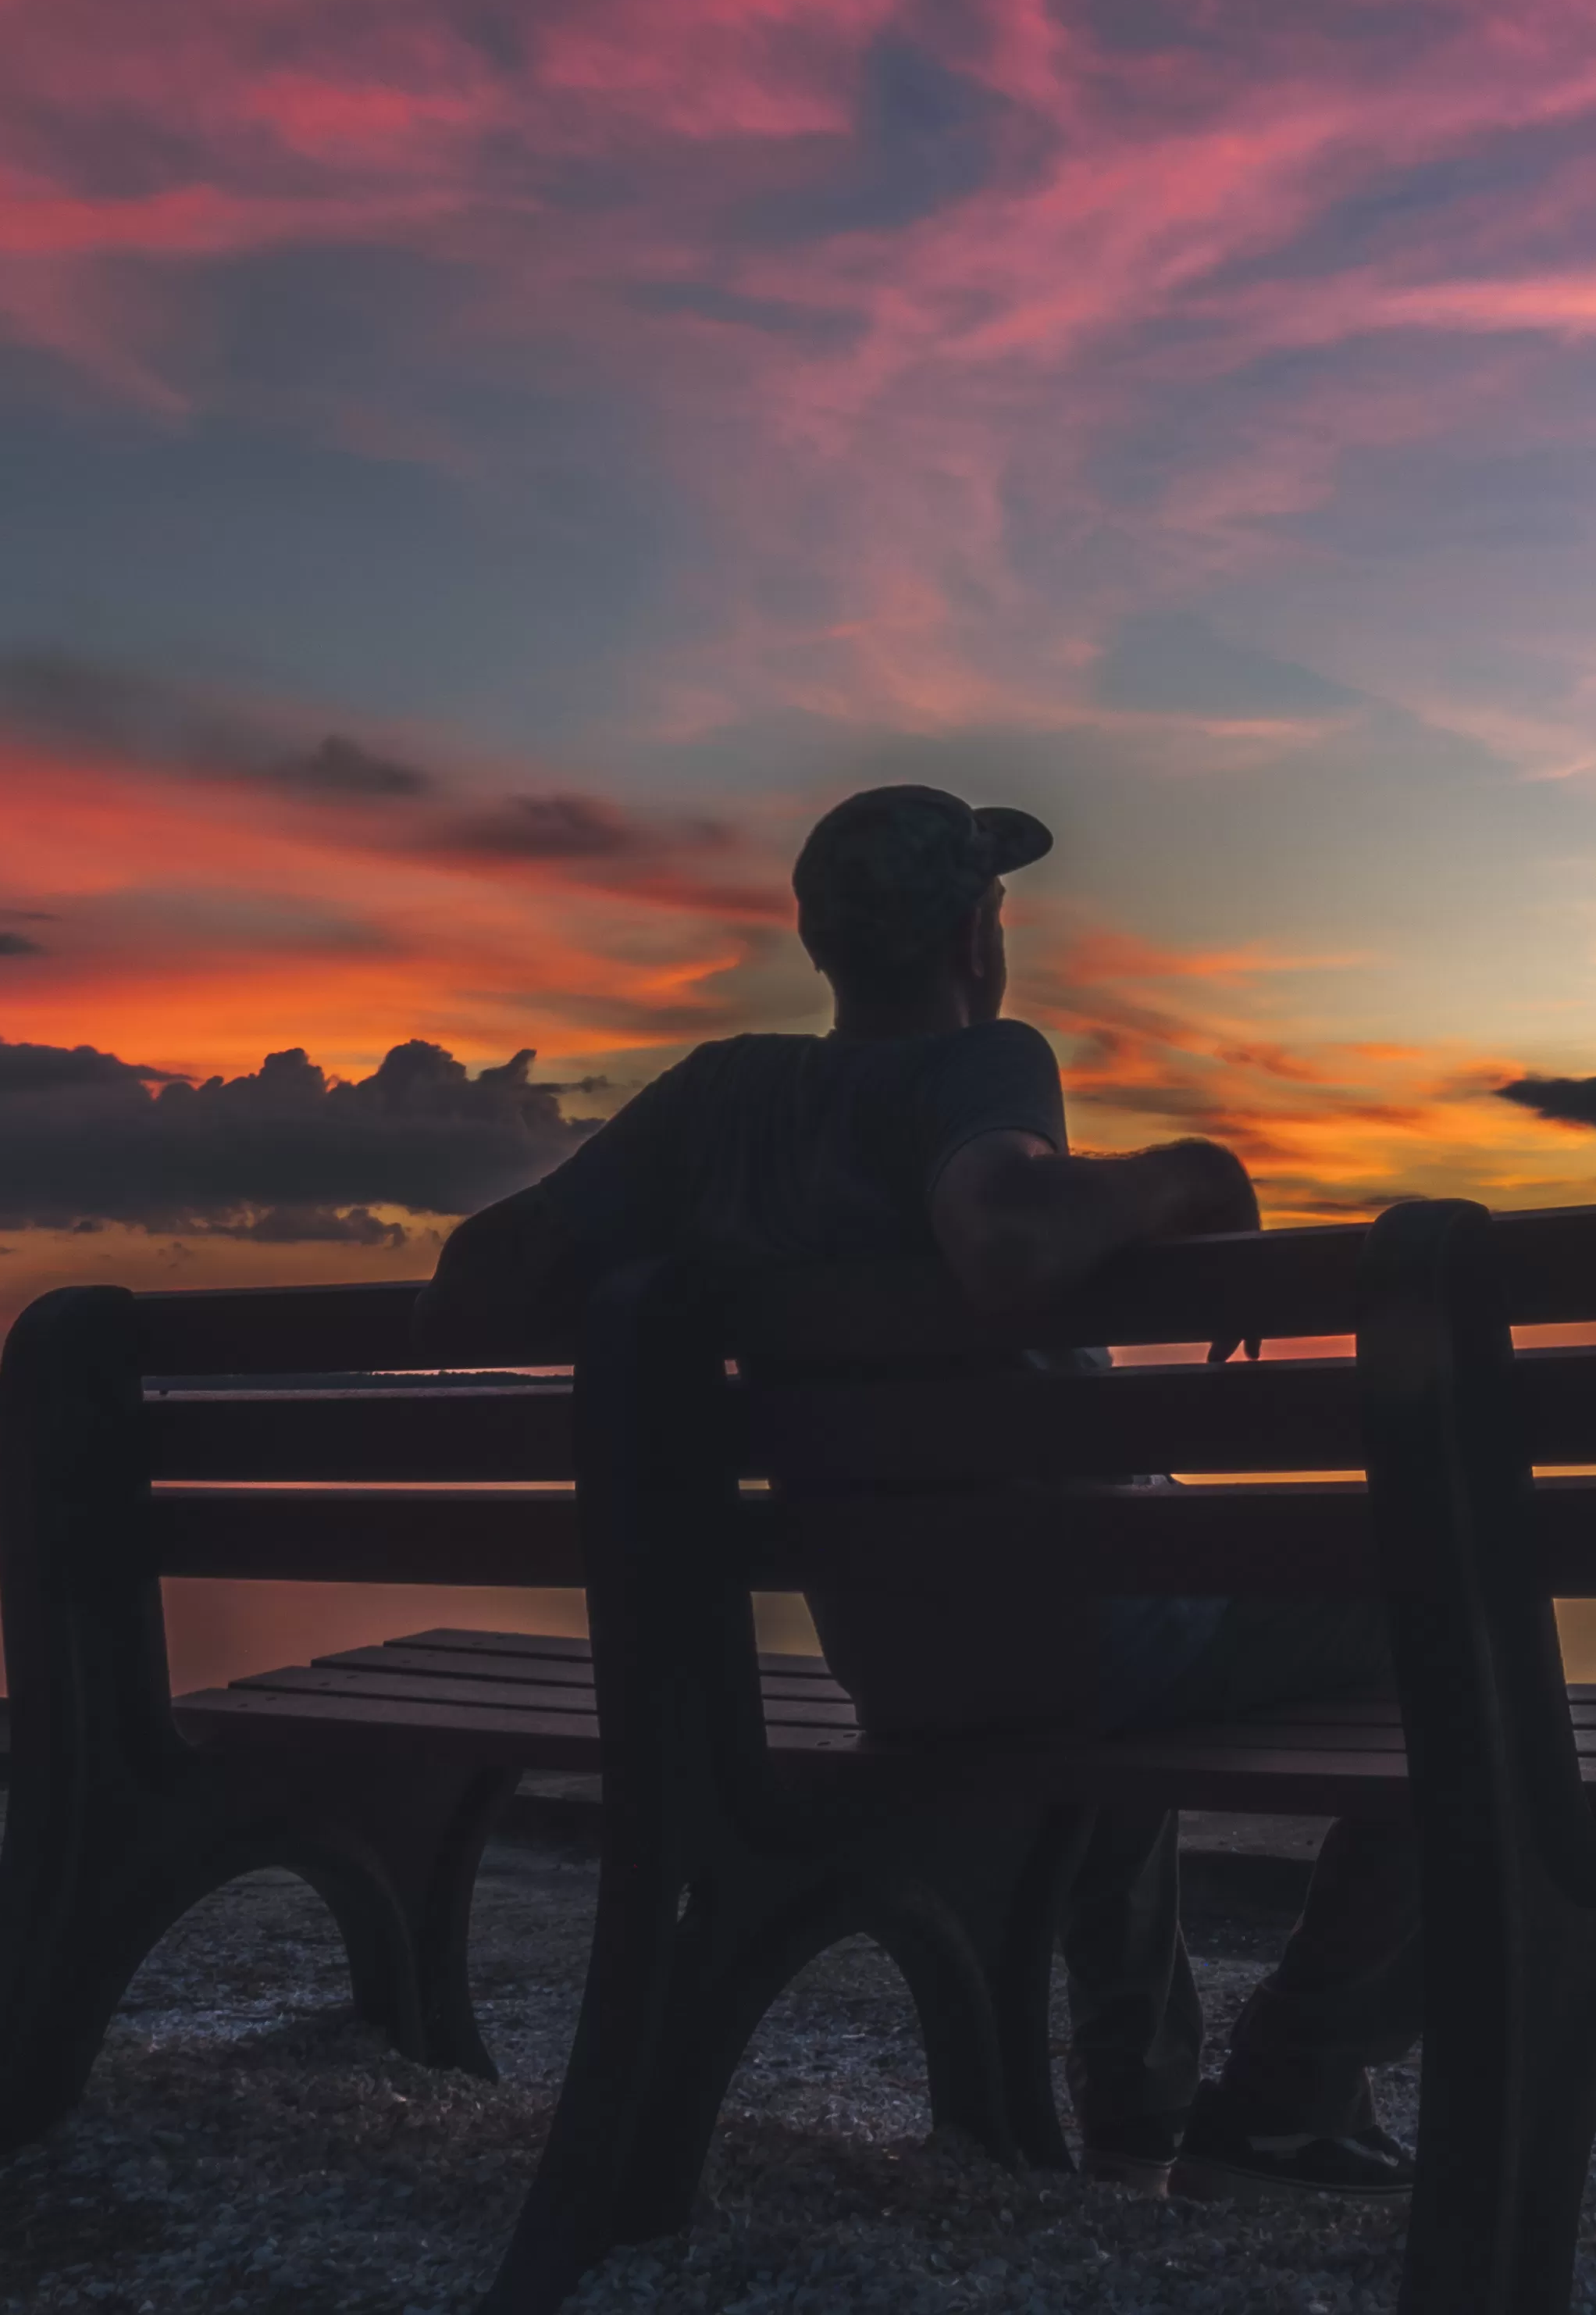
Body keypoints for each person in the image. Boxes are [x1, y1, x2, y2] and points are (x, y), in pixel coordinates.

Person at [421, 784, 1422, 2198]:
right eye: (995, 910)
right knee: (1448, 1607)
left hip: (895, 1652)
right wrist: (1190, 1173)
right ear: (974, 931)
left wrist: (679, 1271)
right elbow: (1006, 1240)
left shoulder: (717, 1103)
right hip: (1066, 1630)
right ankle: (1293, 2080)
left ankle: (1137, 2107)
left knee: (1117, 1560)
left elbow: (478, 1278)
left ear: (818, 941)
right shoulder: (980, 1062)